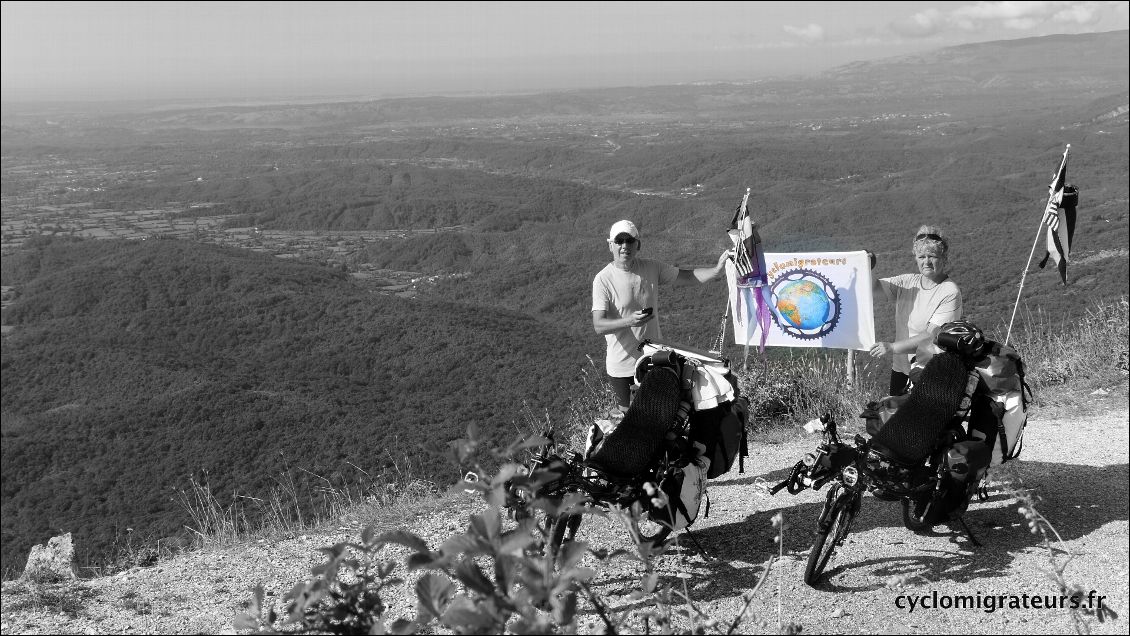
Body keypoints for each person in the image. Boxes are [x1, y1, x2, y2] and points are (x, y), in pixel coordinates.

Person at [592, 220, 732, 413]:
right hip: (622, 367)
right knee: (629, 420)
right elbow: (598, 325)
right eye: (619, 241)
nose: (625, 246)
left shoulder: (652, 268)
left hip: (653, 359)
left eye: (630, 240)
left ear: (638, 244)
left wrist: (716, 271)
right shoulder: (603, 279)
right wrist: (629, 321)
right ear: (610, 245)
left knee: (659, 414)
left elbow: (688, 276)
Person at [870, 225, 963, 396]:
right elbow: (874, 288)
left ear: (944, 258)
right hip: (901, 368)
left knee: (925, 421)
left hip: (930, 369)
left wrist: (891, 347)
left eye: (932, 256)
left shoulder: (950, 292)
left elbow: (931, 335)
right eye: (921, 256)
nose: (926, 262)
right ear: (916, 258)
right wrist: (866, 265)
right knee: (895, 419)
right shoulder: (907, 282)